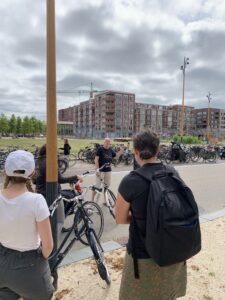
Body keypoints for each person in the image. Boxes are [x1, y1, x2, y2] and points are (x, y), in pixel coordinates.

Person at [115, 130, 187, 300]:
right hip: (173, 249)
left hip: (144, 255)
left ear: (135, 152)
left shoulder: (130, 181)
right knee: (167, 294)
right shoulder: (172, 172)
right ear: (158, 150)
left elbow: (120, 218)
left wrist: (145, 219)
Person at [0, 150, 54, 300]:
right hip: (29, 266)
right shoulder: (36, 200)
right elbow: (48, 246)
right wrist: (38, 261)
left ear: (6, 171)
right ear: (32, 173)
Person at [92, 137, 124, 201]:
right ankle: (92, 200)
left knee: (106, 186)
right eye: (106, 142)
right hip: (101, 170)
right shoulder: (100, 149)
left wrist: (121, 151)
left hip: (108, 171)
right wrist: (97, 170)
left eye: (108, 142)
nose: (107, 143)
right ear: (104, 142)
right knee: (97, 186)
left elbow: (116, 157)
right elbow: (96, 159)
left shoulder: (110, 150)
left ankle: (105, 200)